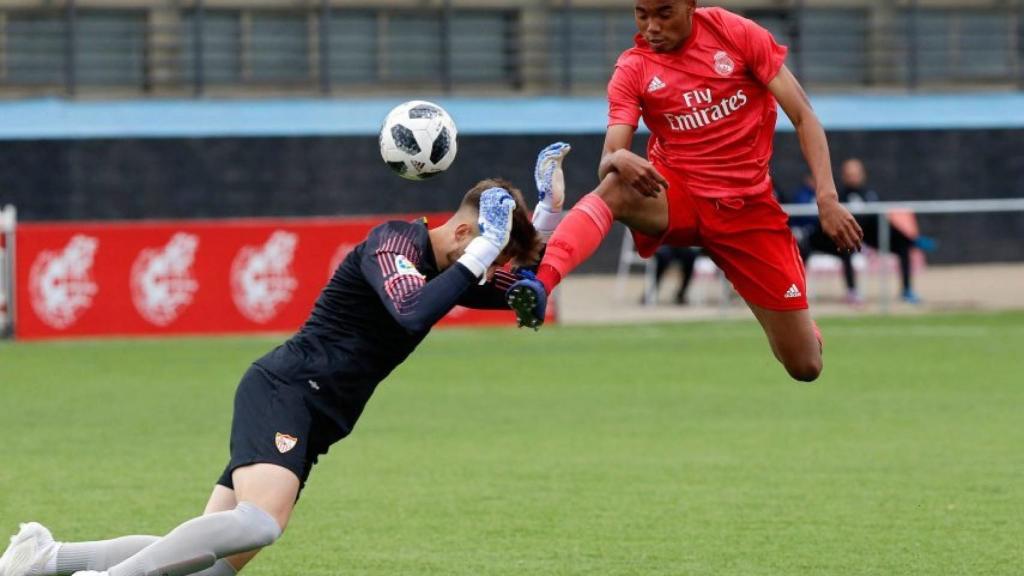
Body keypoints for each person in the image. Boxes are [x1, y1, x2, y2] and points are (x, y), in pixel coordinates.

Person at [0, 157, 561, 576]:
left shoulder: (454, 268)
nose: (494, 267)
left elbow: (525, 295)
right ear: (464, 233)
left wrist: (551, 214)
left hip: (313, 415)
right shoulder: (392, 240)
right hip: (287, 389)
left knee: (209, 567)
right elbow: (412, 311)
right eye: (490, 252)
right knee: (261, 523)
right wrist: (488, 250)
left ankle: (45, 558)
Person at [507, 0, 865, 382]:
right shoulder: (633, 67)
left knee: (805, 366)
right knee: (616, 187)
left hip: (748, 210)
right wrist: (619, 159)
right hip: (678, 194)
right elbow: (609, 156)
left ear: (691, 6)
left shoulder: (736, 34)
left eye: (664, 14)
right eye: (642, 15)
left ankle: (795, 322)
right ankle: (540, 281)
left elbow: (803, 115)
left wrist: (827, 199)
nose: (651, 27)